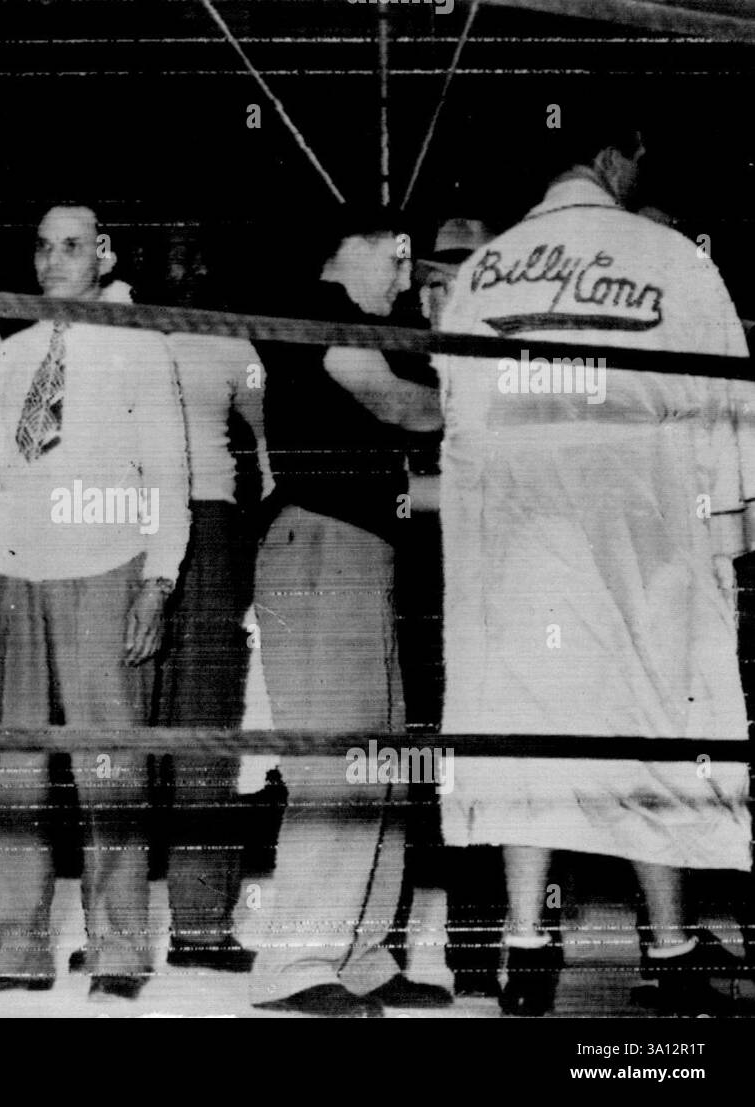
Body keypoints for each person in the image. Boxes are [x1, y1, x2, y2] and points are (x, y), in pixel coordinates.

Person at [435, 110, 753, 1016]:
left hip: (519, 535)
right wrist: (728, 536)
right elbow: (726, 399)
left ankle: (527, 951)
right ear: (618, 158)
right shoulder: (671, 257)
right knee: (652, 723)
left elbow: (460, 418)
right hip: (642, 523)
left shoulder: (482, 272)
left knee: (530, 735)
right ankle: (672, 948)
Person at [0, 204, 190, 1000]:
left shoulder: (140, 345)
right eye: (42, 246)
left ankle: (119, 945)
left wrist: (159, 581)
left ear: (104, 253)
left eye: (71, 246)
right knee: (20, 770)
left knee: (106, 764)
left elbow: (169, 472)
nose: (54, 260)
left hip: (104, 564)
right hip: (16, 574)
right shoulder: (17, 350)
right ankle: (18, 942)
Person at [248, 206, 453, 1017]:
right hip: (319, 550)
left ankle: (361, 954)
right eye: (399, 262)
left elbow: (398, 474)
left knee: (381, 760)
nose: (405, 282)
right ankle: (295, 963)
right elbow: (400, 406)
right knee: (336, 763)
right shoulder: (321, 311)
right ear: (358, 248)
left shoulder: (343, 326)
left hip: (360, 554)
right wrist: (484, 402)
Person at [151, 269, 272, 971]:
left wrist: (257, 549)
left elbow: (266, 451)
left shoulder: (233, 343)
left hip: (210, 524)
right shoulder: (115, 333)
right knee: (123, 729)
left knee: (204, 728)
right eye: (169, 251)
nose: (185, 270)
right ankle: (118, 934)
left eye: (198, 256)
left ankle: (201, 927)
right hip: (121, 527)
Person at [413, 216, 513, 999]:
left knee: (498, 761)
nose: (448, 291)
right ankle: (439, 949)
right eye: (438, 278)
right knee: (414, 766)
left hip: (499, 590)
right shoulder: (394, 359)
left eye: (467, 274)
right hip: (410, 584)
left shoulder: (515, 364)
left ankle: (491, 947)